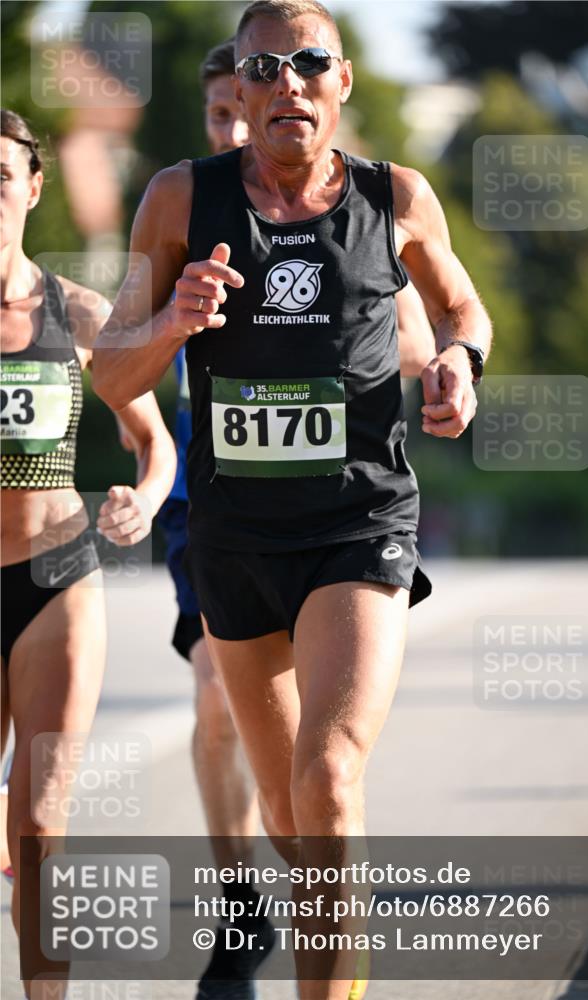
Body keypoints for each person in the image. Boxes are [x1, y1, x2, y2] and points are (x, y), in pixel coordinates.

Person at [92, 2, 492, 997]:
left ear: (341, 83)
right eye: (263, 68)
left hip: (358, 525)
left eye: (309, 63)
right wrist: (175, 325)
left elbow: (460, 306)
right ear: (245, 88)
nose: (287, 84)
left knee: (326, 776)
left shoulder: (395, 195)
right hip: (233, 540)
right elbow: (111, 372)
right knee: (283, 805)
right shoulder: (179, 200)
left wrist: (458, 364)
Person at [0, 108, 176, 1000]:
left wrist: (141, 502)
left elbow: (155, 444)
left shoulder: (81, 312)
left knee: (38, 820)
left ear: (32, 189)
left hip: (54, 575)